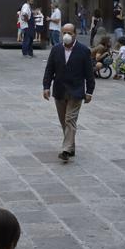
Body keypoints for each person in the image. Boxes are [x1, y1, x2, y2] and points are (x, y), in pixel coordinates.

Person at [43, 24, 95, 163]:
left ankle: (65, 149)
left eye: (69, 32)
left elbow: (89, 73)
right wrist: (46, 87)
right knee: (63, 122)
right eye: (64, 32)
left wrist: (89, 91)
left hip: (76, 91)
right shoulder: (56, 49)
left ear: (75, 34)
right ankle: (71, 146)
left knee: (69, 119)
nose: (66, 35)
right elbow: (49, 69)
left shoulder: (83, 51)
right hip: (59, 90)